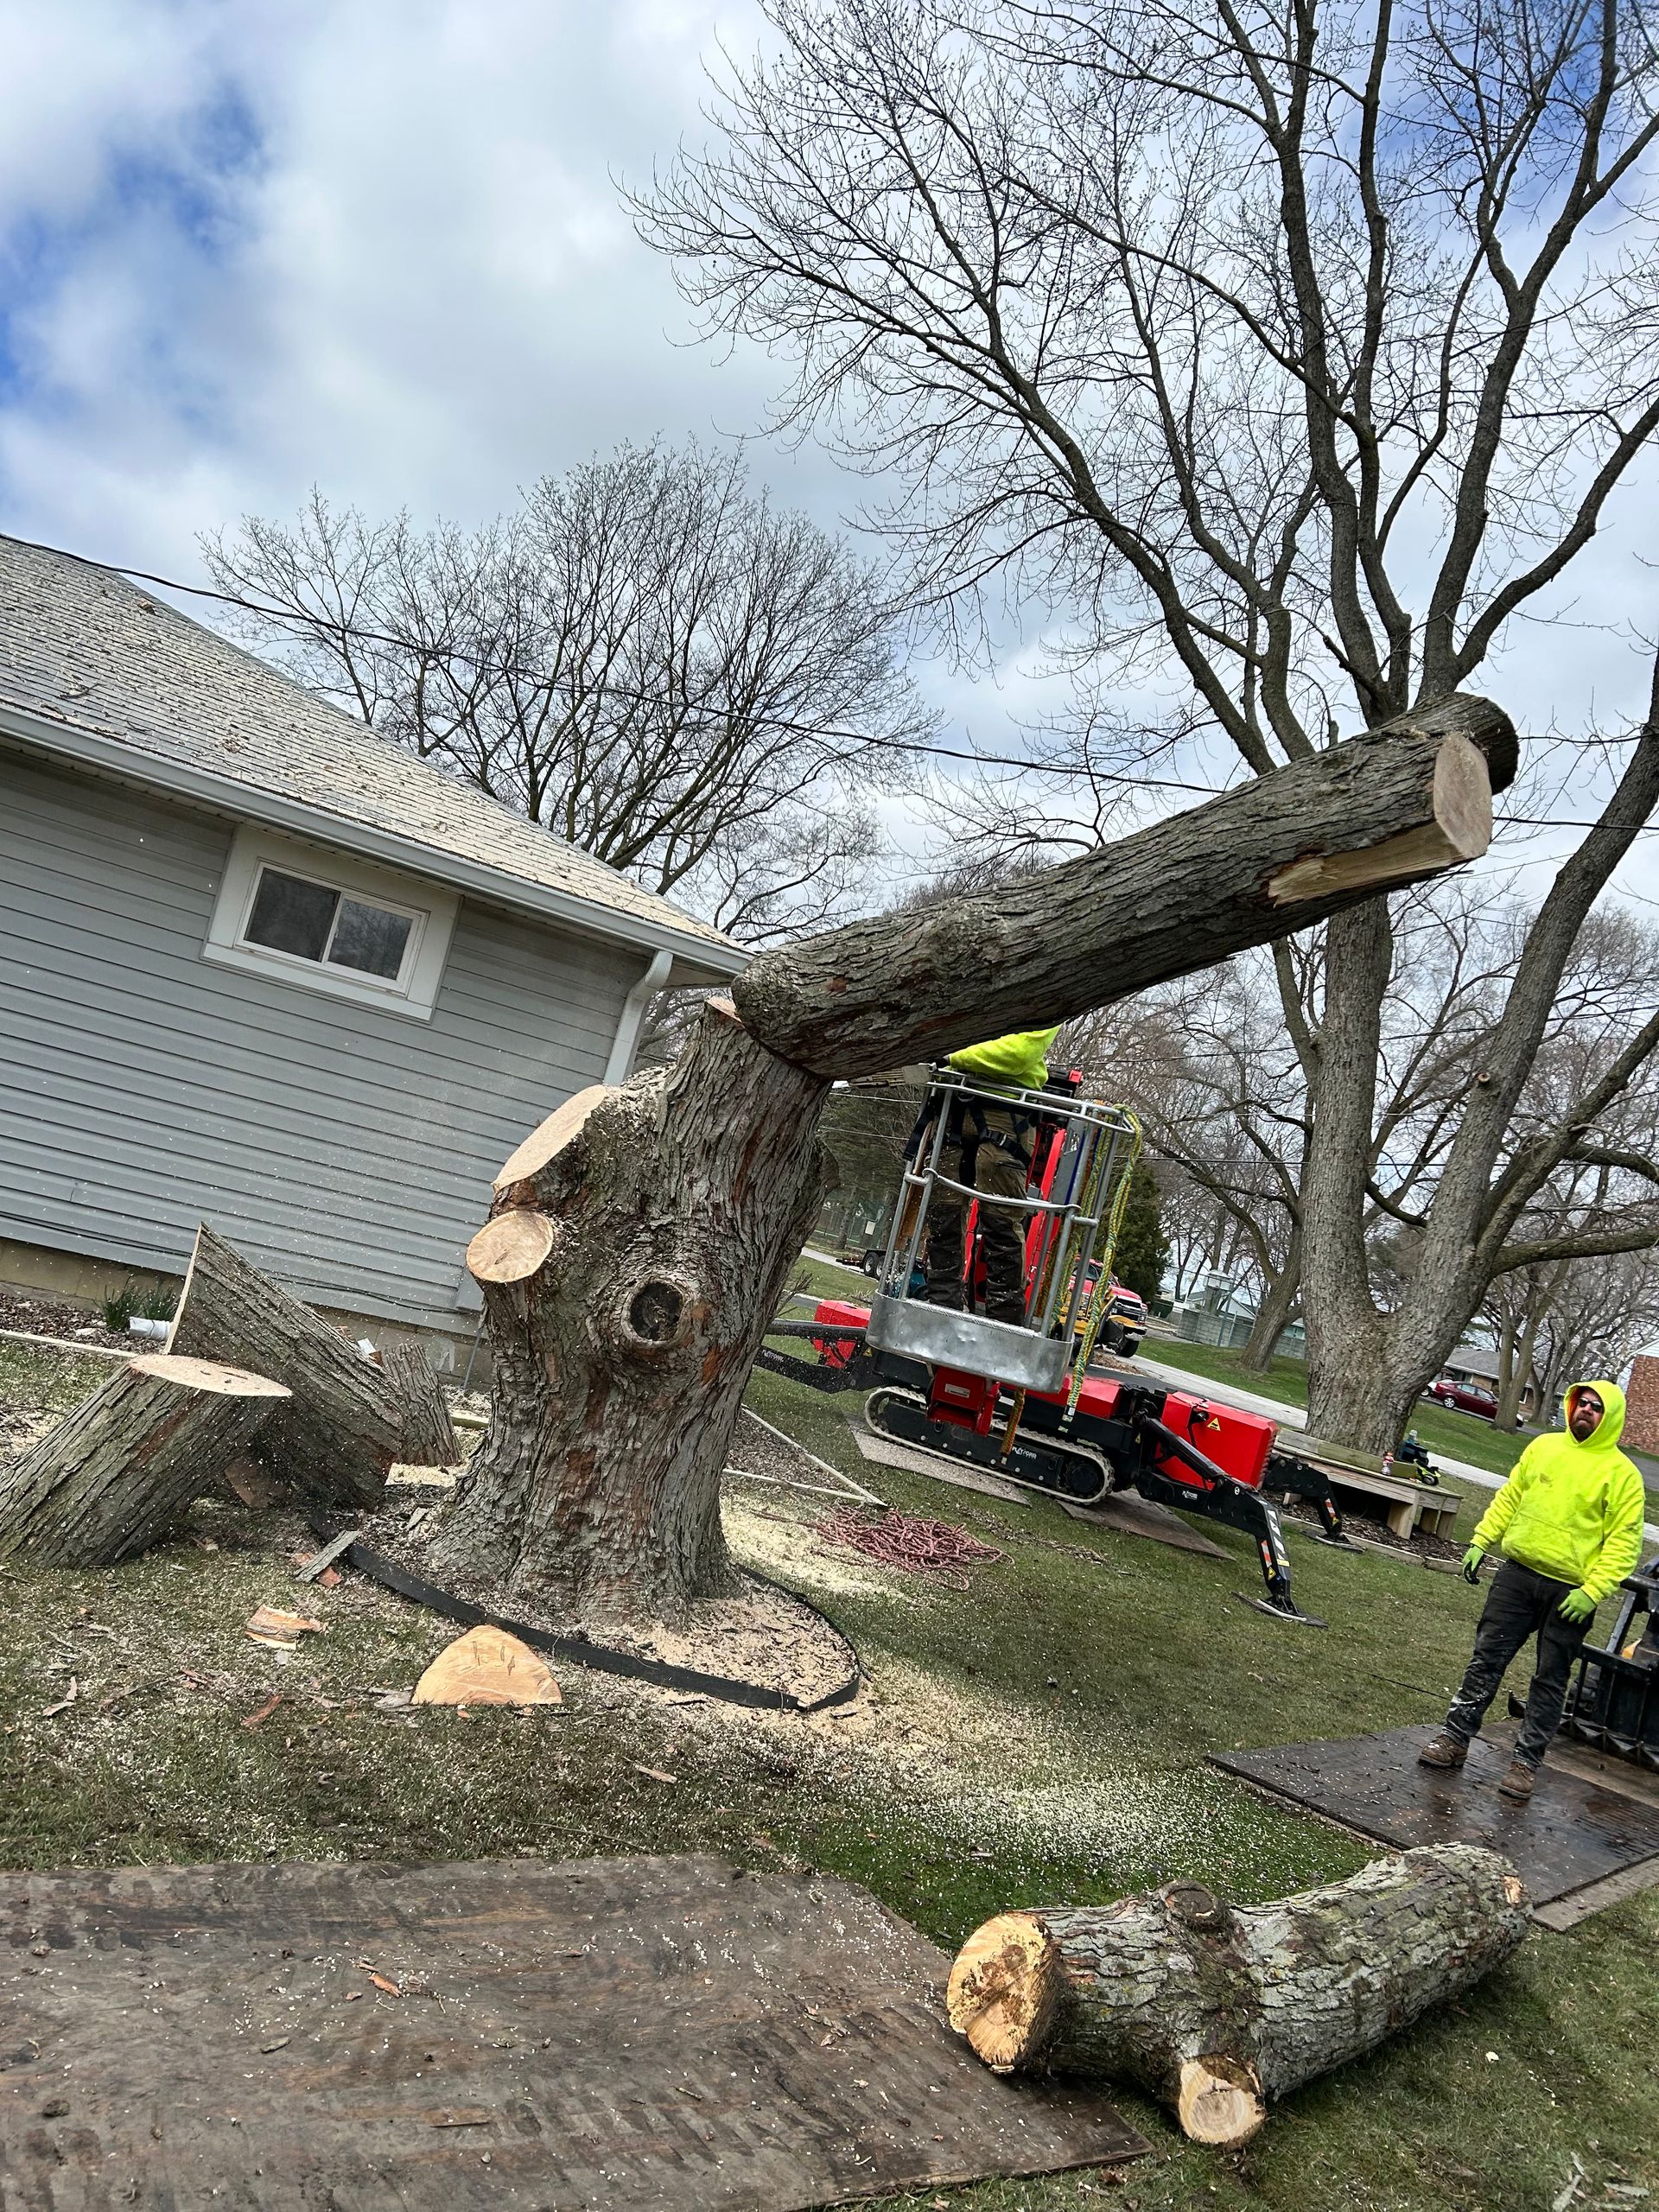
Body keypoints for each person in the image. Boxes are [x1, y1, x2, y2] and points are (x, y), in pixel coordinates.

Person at [1419, 1380, 1645, 1802]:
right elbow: (1510, 1497)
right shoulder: (1543, 1448)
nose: (1587, 1412)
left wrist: (1593, 1591)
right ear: (1571, 1406)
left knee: (1550, 1678)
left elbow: (1623, 1543)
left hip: (1571, 1594)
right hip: (1517, 1575)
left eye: (1597, 1408)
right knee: (1486, 1660)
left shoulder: (1623, 1476)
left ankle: (1525, 1763)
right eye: (1583, 1404)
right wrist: (1480, 1540)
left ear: (1609, 1417)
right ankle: (1454, 1740)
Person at [922, 1027, 1060, 1325]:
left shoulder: (1049, 999)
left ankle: (1004, 1322)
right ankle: (940, 1308)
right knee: (942, 1212)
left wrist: (952, 1056)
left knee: (1001, 1221)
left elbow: (1019, 1054)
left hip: (1007, 1112)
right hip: (955, 1104)